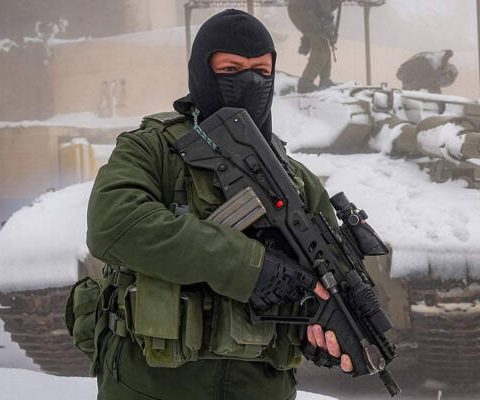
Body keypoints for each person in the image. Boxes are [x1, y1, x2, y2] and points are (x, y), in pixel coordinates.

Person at [84, 10, 352, 400]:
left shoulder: (295, 179)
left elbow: (327, 277)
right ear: (203, 72)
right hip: (150, 387)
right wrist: (249, 268)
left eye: (262, 71)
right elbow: (115, 225)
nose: (250, 81)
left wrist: (319, 329)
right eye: (231, 69)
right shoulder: (153, 149)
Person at [287, 0, 341, 93]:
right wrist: (328, 20)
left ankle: (325, 79)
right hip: (301, 9)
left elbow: (319, 11)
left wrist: (308, 37)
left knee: (323, 42)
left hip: (306, 10)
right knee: (320, 45)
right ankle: (305, 82)